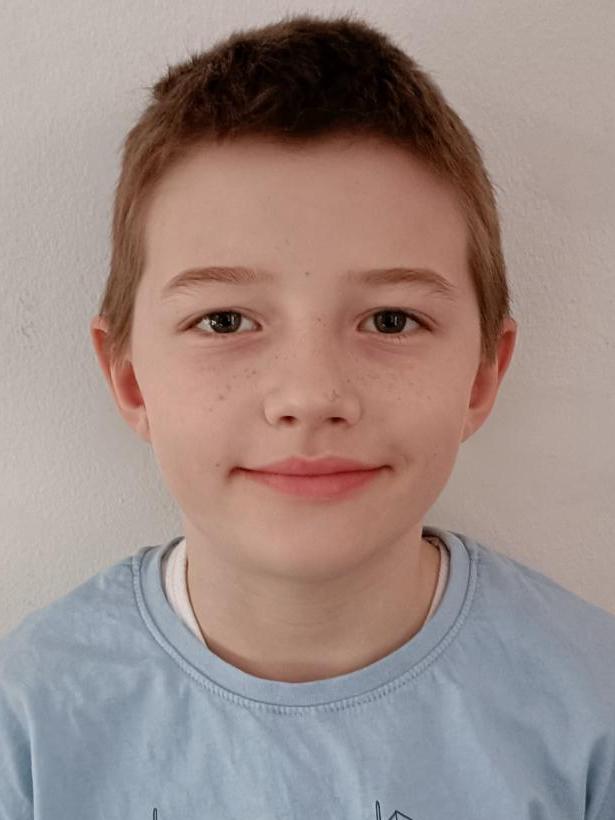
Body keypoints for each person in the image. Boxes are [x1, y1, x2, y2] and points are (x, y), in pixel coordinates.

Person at [1, 12, 614, 819]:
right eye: (225, 320)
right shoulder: (28, 725)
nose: (311, 396)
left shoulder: (591, 710)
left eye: (390, 320)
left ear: (480, 375)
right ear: (130, 379)